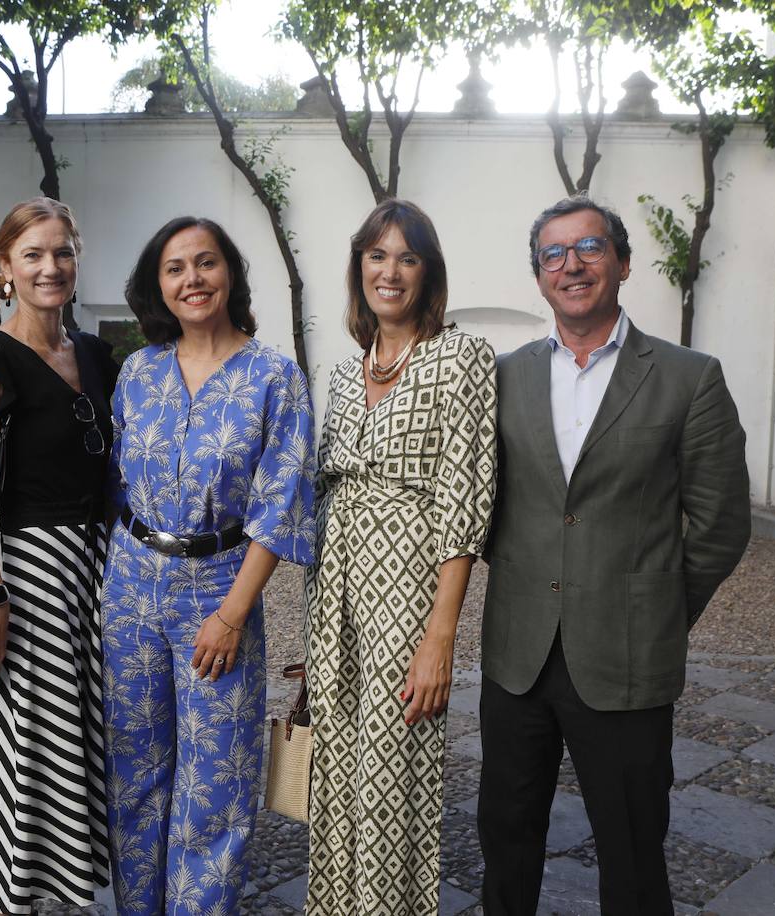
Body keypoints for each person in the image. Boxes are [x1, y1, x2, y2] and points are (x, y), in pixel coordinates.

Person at [478, 196, 751, 915]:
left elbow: (720, 523)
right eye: (553, 254)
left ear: (622, 263)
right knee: (506, 842)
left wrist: (654, 605)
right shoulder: (501, 379)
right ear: (538, 277)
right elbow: (475, 501)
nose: (572, 265)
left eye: (590, 247)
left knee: (631, 854)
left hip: (628, 658)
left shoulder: (689, 378)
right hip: (516, 656)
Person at [101, 216, 316, 914]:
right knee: (134, 775)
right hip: (130, 586)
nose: (191, 279)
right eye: (174, 267)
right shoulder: (137, 372)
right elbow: (110, 483)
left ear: (230, 274)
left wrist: (232, 615)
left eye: (205, 263)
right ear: (156, 284)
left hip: (219, 590)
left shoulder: (273, 377)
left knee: (213, 786)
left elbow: (281, 509)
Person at [304, 199, 498, 916]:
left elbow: (467, 498)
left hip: (408, 590)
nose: (391, 271)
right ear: (360, 268)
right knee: (336, 771)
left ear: (428, 272)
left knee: (391, 774)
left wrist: (440, 638)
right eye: (377, 256)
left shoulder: (462, 356)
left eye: (407, 257)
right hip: (336, 590)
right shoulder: (343, 369)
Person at [0, 198, 118, 915]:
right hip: (34, 569)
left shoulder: (100, 356)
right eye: (34, 255)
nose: (51, 267)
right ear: (6, 269)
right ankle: (3, 900)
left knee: (85, 732)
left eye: (63, 252)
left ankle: (66, 889)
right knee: (30, 743)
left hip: (104, 566)